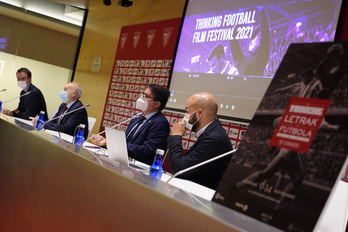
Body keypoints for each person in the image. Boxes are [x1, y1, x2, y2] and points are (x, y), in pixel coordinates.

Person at [91, 84, 170, 165]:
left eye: (146, 96)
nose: (141, 98)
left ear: (156, 104)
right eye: (142, 94)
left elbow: (148, 151)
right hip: (124, 162)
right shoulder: (137, 117)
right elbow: (126, 143)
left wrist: (110, 143)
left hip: (140, 169)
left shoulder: (160, 123)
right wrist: (105, 142)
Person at [168, 92, 233, 190]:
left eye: (187, 111)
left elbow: (179, 170)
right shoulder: (211, 132)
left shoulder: (214, 138)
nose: (185, 117)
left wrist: (176, 136)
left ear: (199, 113)